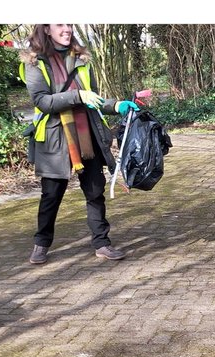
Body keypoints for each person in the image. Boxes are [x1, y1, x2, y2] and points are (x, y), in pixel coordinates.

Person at [21, 24, 138, 264]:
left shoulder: (81, 59)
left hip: (87, 134)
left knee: (95, 191)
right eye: (60, 24)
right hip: (54, 139)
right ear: (46, 29)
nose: (67, 29)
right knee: (51, 195)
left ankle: (102, 243)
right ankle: (41, 243)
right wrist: (78, 96)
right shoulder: (34, 62)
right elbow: (42, 101)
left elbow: (92, 98)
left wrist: (116, 105)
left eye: (69, 24)